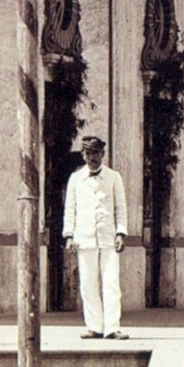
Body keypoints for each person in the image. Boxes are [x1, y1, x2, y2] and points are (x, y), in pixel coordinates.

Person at [62, 134, 128, 339]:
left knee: (111, 283)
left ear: (103, 154)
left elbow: (120, 207)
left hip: (108, 237)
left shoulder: (113, 177)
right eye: (89, 153)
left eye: (96, 153)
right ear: (83, 155)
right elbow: (70, 209)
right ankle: (94, 326)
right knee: (88, 284)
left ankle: (112, 327)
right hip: (85, 237)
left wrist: (121, 232)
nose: (93, 157)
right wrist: (69, 235)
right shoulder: (76, 179)